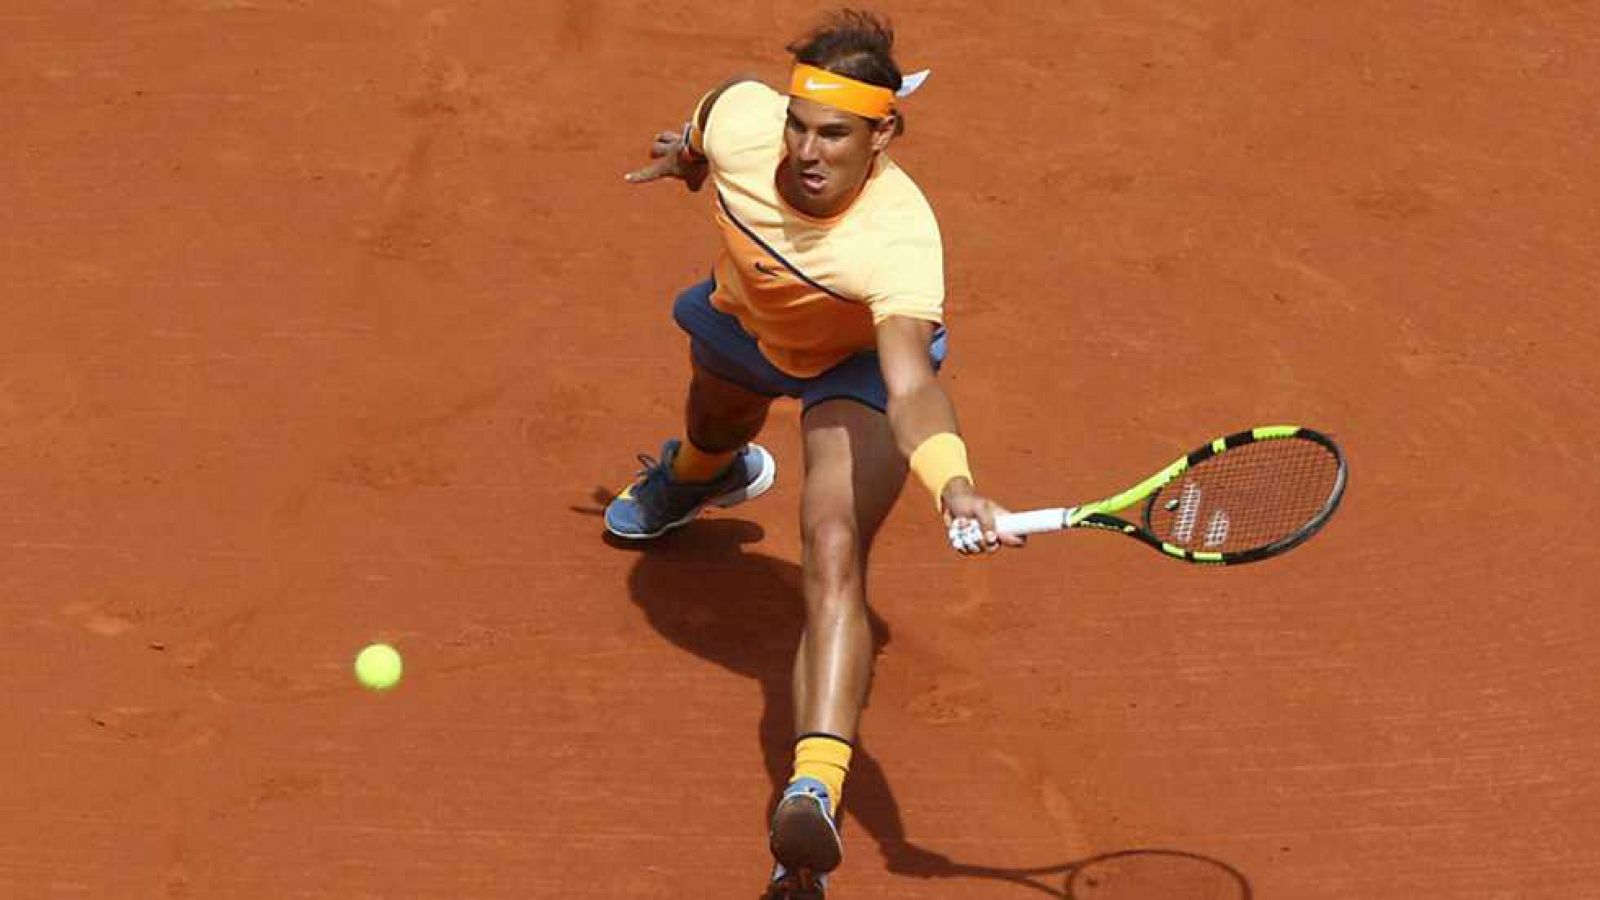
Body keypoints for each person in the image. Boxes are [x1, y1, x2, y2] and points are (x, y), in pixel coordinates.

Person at [606, 9, 1023, 898]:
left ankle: (811, 797)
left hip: (855, 366)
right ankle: (702, 475)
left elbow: (912, 385)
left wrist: (953, 484)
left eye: (834, 133)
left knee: (832, 546)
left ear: (883, 136)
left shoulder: (899, 238)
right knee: (717, 422)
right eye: (799, 125)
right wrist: (685, 158)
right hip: (747, 324)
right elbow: (701, 138)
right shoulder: (739, 119)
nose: (806, 149)